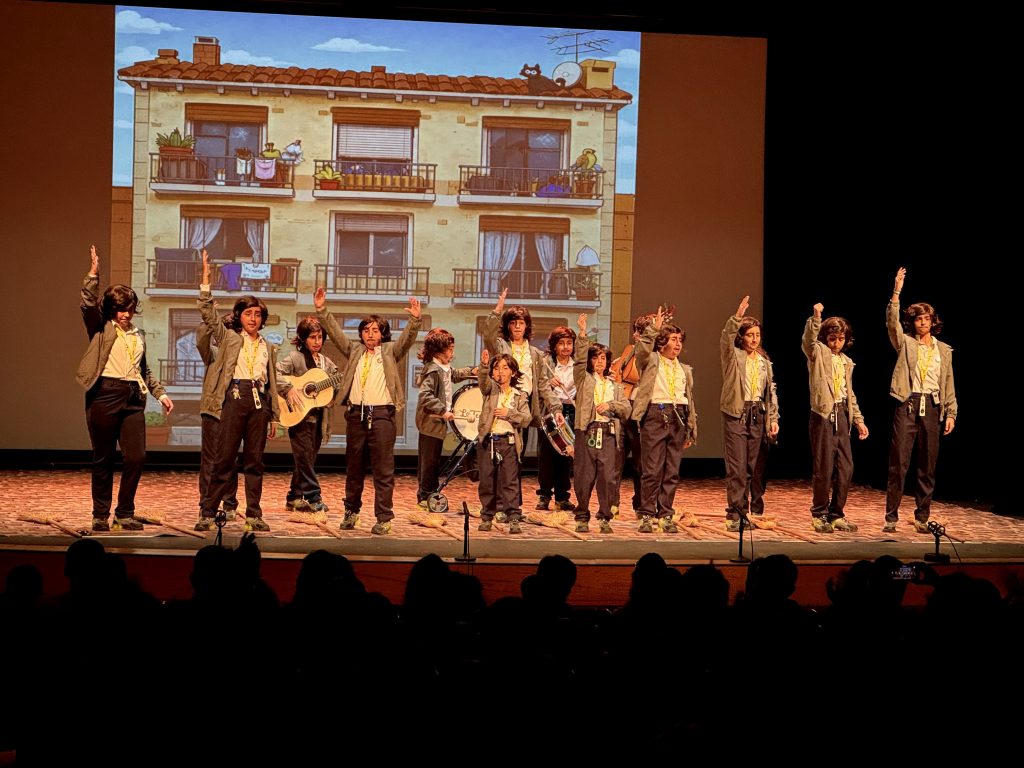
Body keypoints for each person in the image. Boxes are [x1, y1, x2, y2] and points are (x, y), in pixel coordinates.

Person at [77, 245, 173, 532]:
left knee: (136, 457)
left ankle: (124, 513)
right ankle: (100, 514)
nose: (126, 315)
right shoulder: (101, 327)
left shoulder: (137, 334)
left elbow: (143, 370)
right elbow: (87, 304)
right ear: (111, 309)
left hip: (133, 397)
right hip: (104, 394)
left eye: (130, 310)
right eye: (120, 309)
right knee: (103, 458)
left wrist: (161, 393)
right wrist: (93, 275)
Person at [314, 287, 422, 535]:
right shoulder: (355, 352)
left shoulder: (390, 351)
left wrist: (415, 320)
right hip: (356, 416)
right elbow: (336, 333)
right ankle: (351, 512)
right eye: (365, 330)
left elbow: (406, 339)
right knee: (354, 469)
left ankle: (384, 517)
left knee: (383, 470)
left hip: (382, 416)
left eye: (375, 330)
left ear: (383, 334)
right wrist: (322, 310)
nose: (370, 334)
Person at [195, 250, 280, 532]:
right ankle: (208, 511)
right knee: (224, 459)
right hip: (234, 397)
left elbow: (271, 383)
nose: (253, 319)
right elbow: (208, 315)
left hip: (259, 402)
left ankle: (254, 514)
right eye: (248, 313)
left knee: (255, 461)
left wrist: (274, 416)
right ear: (239, 316)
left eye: (257, 314)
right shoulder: (230, 338)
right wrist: (206, 281)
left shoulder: (268, 346)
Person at [884, 267, 957, 534]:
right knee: (899, 462)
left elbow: (948, 382)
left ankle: (922, 516)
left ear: (933, 321)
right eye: (918, 319)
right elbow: (891, 323)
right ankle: (891, 516)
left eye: (927, 319)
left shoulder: (943, 350)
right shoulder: (905, 343)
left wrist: (951, 413)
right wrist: (896, 292)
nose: (923, 323)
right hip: (908, 403)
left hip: (933, 406)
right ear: (912, 323)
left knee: (928, 465)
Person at [483, 288, 563, 502]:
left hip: (522, 406)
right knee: (497, 456)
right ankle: (498, 502)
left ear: (527, 326)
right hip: (501, 401)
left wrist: (556, 408)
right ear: (507, 326)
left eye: (521, 322)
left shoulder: (536, 354)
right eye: (513, 322)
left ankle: (513, 504)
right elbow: (488, 335)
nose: (517, 326)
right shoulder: (500, 346)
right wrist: (497, 310)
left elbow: (544, 385)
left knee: (516, 456)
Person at [802, 303, 869, 533]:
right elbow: (808, 342)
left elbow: (849, 393)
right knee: (824, 467)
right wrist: (816, 317)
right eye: (832, 338)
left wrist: (859, 420)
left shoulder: (846, 362)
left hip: (842, 414)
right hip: (822, 415)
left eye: (841, 338)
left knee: (846, 468)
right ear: (825, 337)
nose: (837, 342)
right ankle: (819, 513)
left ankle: (836, 513)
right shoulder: (818, 353)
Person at [630, 306, 698, 533]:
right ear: (661, 343)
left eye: (680, 340)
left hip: (678, 416)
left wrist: (690, 429)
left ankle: (665, 514)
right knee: (652, 469)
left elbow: (689, 399)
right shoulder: (651, 361)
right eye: (673, 339)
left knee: (671, 471)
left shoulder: (684, 369)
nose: (678, 344)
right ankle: (647, 513)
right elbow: (640, 353)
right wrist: (653, 330)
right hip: (655, 416)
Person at [721, 295, 779, 532]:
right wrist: (736, 318)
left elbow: (770, 392)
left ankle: (751, 509)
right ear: (741, 337)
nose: (754, 339)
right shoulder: (734, 356)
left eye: (757, 335)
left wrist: (773, 419)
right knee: (737, 466)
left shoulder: (765, 361)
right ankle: (735, 513)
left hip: (759, 414)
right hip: (737, 413)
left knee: (752, 467)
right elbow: (725, 338)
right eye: (749, 335)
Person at [572, 314, 630, 533]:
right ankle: (582, 516)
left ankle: (605, 516)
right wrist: (583, 334)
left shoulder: (615, 386)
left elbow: (626, 409)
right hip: (587, 431)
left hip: (608, 433)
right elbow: (578, 360)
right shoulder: (583, 379)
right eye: (595, 358)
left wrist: (611, 405)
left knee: (607, 477)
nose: (599, 362)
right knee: (584, 476)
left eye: (603, 359)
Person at [276, 316, 339, 517]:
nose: (317, 341)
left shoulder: (327, 363)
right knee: (304, 458)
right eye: (312, 337)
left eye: (320, 337)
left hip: (319, 419)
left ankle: (294, 497)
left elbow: (338, 383)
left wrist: (334, 391)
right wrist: (288, 389)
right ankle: (313, 496)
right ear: (303, 339)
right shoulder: (295, 358)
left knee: (307, 460)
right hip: (299, 416)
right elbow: (275, 373)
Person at [414, 328, 477, 508]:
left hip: (437, 423)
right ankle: (425, 497)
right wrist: (443, 411)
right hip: (430, 422)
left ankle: (430, 494)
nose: (452, 353)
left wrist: (474, 370)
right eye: (449, 349)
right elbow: (425, 396)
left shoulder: (444, 368)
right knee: (429, 462)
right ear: (438, 351)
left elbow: (455, 375)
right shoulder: (433, 370)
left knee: (433, 461)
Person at [475, 350, 531, 534]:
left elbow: (526, 418)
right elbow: (483, 383)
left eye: (505, 368)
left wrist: (509, 414)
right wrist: (484, 367)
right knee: (487, 482)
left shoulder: (519, 395)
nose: (501, 372)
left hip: (508, 443)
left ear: (513, 372)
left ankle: (513, 517)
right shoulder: (491, 390)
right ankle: (487, 517)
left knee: (510, 482)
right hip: (488, 441)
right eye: (497, 368)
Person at [610, 311, 657, 517]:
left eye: (643, 333)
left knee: (641, 463)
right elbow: (620, 372)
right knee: (616, 461)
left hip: (643, 411)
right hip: (625, 409)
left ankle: (641, 503)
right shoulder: (630, 350)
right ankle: (612, 503)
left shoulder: (655, 357)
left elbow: (637, 376)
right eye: (637, 332)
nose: (637, 336)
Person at [196, 319, 240, 519]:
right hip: (214, 410)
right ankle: (206, 502)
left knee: (230, 458)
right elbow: (200, 343)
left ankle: (229, 503)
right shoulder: (213, 352)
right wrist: (209, 322)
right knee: (211, 460)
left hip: (234, 409)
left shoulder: (244, 353)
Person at [536, 325, 577, 511]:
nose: (566, 347)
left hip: (571, 410)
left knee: (566, 455)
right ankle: (544, 495)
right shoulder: (545, 363)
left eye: (569, 343)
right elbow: (539, 386)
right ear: (554, 346)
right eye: (561, 343)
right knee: (547, 455)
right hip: (550, 410)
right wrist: (549, 383)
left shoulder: (579, 365)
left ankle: (562, 497)